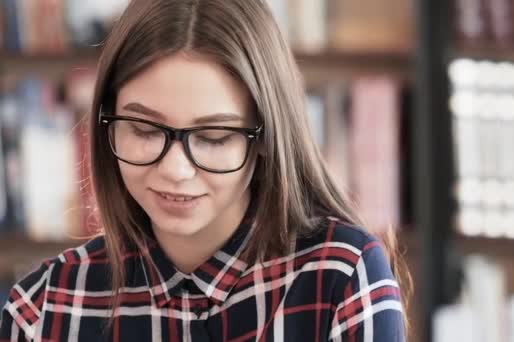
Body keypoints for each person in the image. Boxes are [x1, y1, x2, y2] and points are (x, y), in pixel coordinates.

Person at [0, 0, 410, 340]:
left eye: (213, 137)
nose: (175, 169)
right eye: (144, 129)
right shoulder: (43, 306)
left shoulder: (343, 276)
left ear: (267, 137)